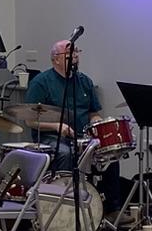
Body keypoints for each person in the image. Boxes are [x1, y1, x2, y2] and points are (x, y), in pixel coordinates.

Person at [20, 39, 126, 217]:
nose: (75, 56)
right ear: (56, 59)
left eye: (77, 52)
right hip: (51, 138)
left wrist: (98, 123)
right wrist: (56, 126)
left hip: (82, 137)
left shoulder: (84, 81)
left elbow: (93, 112)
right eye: (69, 53)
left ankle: (112, 208)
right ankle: (63, 208)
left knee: (110, 153)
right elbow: (30, 121)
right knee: (66, 153)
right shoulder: (41, 82)